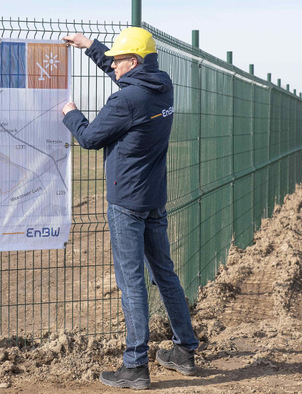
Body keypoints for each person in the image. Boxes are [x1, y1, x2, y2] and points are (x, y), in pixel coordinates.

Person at [61, 27, 200, 389]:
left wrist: (70, 113)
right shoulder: (162, 86)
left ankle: (135, 365)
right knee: (164, 274)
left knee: (132, 282)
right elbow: (129, 81)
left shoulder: (125, 102)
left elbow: (90, 137)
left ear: (134, 61)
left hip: (126, 203)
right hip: (154, 198)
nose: (113, 65)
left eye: (117, 60)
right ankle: (185, 350)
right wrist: (91, 47)